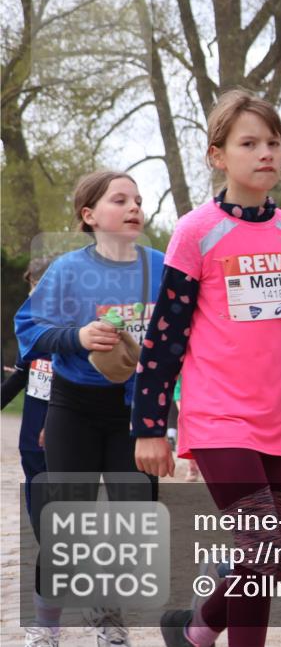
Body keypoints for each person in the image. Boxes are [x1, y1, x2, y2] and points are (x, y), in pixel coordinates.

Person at [130, 90, 281, 647]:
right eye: (249, 143)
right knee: (264, 543)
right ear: (219, 155)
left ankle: (195, 629)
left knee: (280, 552)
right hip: (218, 419)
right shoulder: (196, 231)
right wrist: (149, 427)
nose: (265, 153)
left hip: (278, 422)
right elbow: (163, 338)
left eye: (273, 142)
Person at [15, 171, 166, 647]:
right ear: (88, 215)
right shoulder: (65, 270)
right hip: (74, 407)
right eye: (119, 199)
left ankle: (107, 619)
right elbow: (29, 331)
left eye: (138, 200)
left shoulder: (162, 267)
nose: (133, 207)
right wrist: (77, 337)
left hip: (138, 412)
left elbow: (189, 337)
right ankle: (47, 627)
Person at [2, 259, 52, 523]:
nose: (35, 290)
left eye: (41, 283)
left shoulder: (75, 321)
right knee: (35, 480)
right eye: (33, 284)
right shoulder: (30, 326)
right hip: (33, 420)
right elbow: (21, 374)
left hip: (67, 416)